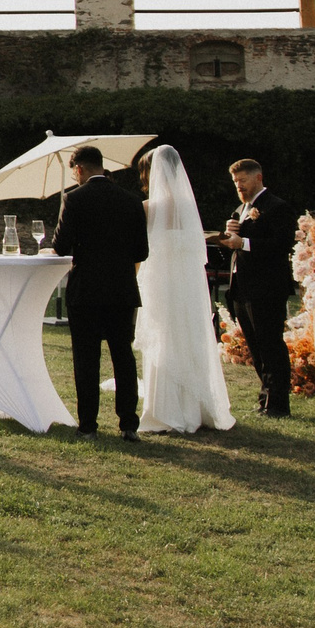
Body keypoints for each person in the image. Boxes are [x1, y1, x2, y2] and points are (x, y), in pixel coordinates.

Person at [50, 145, 152, 439]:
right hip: (122, 290)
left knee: (86, 359)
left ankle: (88, 426)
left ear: (79, 169)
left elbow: (61, 246)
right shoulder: (132, 201)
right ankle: (129, 425)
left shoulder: (74, 199)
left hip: (86, 291)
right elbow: (141, 251)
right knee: (123, 357)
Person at [134, 147, 235, 434]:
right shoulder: (189, 207)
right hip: (186, 285)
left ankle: (166, 409)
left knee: (164, 337)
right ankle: (197, 408)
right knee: (187, 336)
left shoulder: (148, 207)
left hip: (159, 283)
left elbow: (141, 249)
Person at [216, 157, 297, 418]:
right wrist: (227, 236)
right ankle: (265, 397)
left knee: (271, 344)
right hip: (242, 286)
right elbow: (236, 246)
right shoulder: (241, 209)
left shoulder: (277, 207)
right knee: (255, 346)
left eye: (243, 180)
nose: (238, 186)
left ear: (258, 178)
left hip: (267, 287)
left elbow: (281, 245)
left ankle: (278, 404)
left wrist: (244, 243)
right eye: (235, 182)